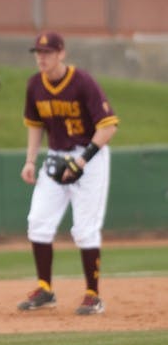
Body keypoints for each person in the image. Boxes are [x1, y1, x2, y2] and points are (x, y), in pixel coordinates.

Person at [18, 31, 119, 315]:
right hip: (55, 158)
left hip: (89, 157)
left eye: (47, 52)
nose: (42, 57)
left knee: (85, 229)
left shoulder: (82, 81)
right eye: (38, 52)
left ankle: (93, 294)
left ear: (61, 53)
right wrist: (29, 160)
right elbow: (35, 125)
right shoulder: (35, 85)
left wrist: (83, 160)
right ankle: (45, 290)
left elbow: (108, 126)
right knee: (38, 222)